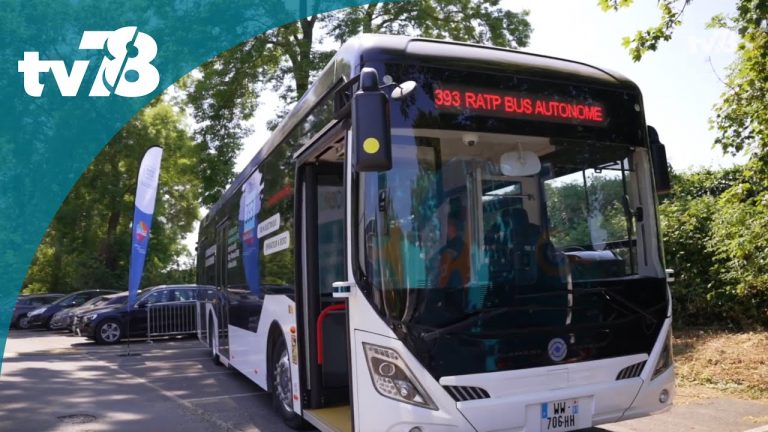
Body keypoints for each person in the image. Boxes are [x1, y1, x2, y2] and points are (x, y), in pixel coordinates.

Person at [436, 216, 470, 288]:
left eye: (445, 226)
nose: (443, 229)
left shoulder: (458, 244)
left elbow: (447, 262)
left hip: (455, 286)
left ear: (451, 227)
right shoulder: (447, 245)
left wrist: (441, 283)